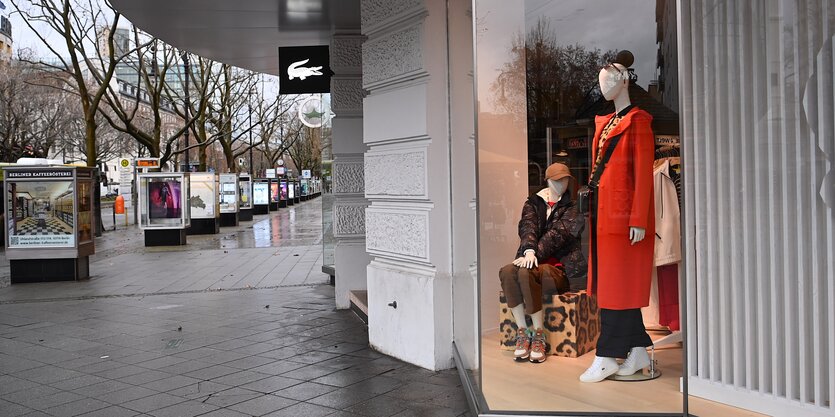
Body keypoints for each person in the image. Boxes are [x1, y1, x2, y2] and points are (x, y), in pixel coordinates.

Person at [579, 51, 656, 383]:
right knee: (612, 284)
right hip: (604, 215)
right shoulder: (604, 122)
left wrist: (638, 217)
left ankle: (607, 353)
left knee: (615, 286)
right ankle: (637, 349)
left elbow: (642, 173)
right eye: (600, 79)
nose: (603, 84)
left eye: (609, 78)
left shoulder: (638, 121)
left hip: (624, 218)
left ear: (625, 81)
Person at [499, 162, 586, 363]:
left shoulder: (574, 208)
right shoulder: (532, 203)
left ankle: (539, 334)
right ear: (547, 180)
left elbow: (558, 235)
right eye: (557, 180)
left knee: (524, 272)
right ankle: (523, 332)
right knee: (507, 271)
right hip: (532, 262)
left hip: (561, 270)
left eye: (565, 179)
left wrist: (533, 253)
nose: (562, 184)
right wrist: (528, 250)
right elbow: (527, 226)